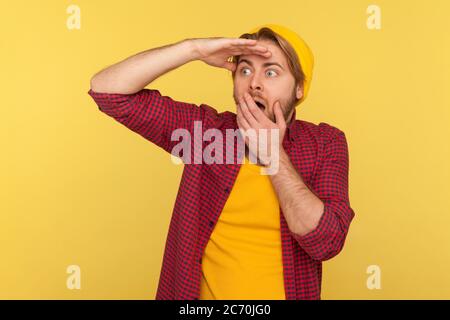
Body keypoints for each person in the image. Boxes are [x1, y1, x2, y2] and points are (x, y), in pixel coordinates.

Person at [88, 24, 355, 300]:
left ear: (299, 88)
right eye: (245, 70)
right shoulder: (204, 134)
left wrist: (273, 155)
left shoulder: (326, 143)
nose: (255, 83)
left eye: (271, 72)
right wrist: (193, 49)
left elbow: (326, 242)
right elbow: (108, 91)